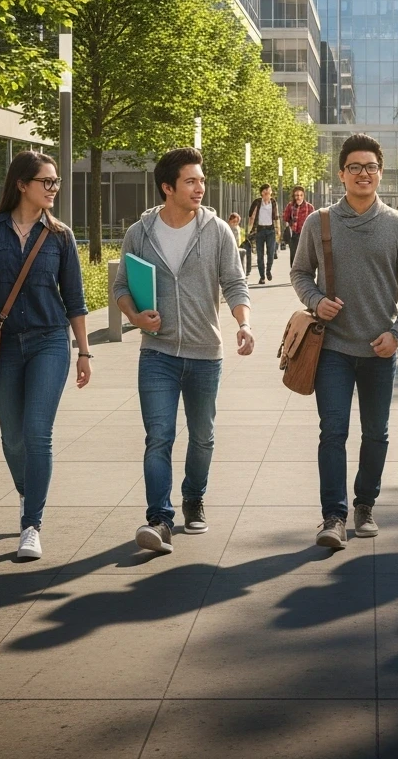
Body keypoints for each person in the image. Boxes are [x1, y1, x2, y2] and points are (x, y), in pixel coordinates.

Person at [0, 151, 90, 562]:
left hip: (50, 342)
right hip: (4, 344)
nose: (53, 188)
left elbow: (76, 300)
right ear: (21, 184)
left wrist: (84, 352)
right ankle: (31, 488)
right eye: (46, 181)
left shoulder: (61, 236)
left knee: (36, 433)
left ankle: (32, 524)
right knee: (12, 437)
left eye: (56, 182)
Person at [290, 134, 398, 550]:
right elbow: (300, 273)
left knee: (376, 433)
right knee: (332, 432)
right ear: (341, 174)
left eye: (370, 167)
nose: (363, 174)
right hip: (331, 348)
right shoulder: (320, 222)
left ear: (380, 173)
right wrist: (315, 301)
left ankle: (365, 504)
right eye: (354, 168)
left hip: (379, 349)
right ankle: (333, 516)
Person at [114, 147, 252, 554]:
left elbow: (235, 283)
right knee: (159, 437)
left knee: (203, 436)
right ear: (167, 187)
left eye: (201, 180)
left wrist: (244, 323)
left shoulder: (216, 231)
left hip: (206, 352)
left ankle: (194, 498)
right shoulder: (140, 233)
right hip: (156, 353)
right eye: (191, 181)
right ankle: (159, 519)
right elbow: (122, 286)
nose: (200, 188)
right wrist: (136, 318)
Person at [248, 184, 279, 285]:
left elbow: (276, 217)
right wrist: (250, 229)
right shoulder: (257, 202)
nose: (268, 195)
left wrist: (278, 230)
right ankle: (262, 277)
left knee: (271, 253)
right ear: (262, 193)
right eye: (265, 193)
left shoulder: (273, 202)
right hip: (259, 230)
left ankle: (268, 270)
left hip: (270, 230)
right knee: (260, 255)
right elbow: (250, 215)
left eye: (269, 192)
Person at [283, 185, 315, 264]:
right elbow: (285, 218)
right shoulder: (290, 206)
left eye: (301, 195)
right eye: (297, 195)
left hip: (306, 235)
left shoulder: (309, 207)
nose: (299, 197)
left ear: (303, 196)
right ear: (294, 196)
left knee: (305, 256)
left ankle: (304, 274)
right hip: (294, 235)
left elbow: (314, 221)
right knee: (294, 257)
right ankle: (295, 274)